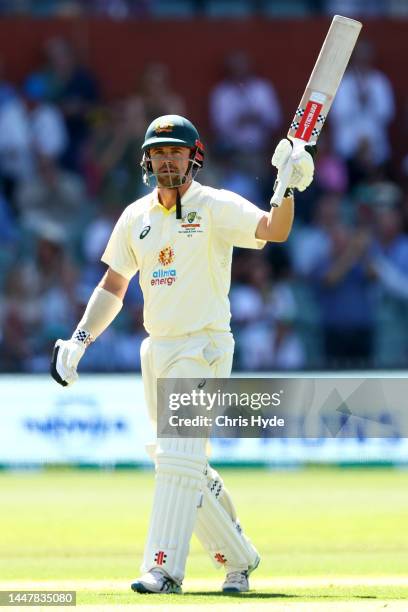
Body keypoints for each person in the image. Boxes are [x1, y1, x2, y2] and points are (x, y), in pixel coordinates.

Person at [50, 115, 314, 594]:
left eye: (176, 151)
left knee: (176, 455)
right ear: (147, 160)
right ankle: (239, 557)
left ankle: (163, 569)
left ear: (195, 156)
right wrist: (78, 342)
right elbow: (113, 285)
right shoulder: (136, 217)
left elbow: (274, 230)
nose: (167, 159)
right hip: (159, 349)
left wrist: (289, 186)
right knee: (176, 460)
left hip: (204, 346)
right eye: (159, 152)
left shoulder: (214, 205)